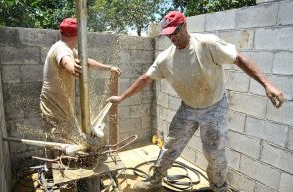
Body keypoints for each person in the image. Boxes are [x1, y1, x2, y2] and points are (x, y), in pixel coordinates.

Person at [106, 11, 284, 192]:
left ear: (184, 26)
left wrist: (267, 84)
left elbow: (239, 59)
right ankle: (155, 180)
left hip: (214, 107)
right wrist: (122, 98)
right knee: (170, 146)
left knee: (213, 154)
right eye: (168, 35)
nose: (172, 38)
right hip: (188, 108)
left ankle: (219, 188)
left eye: (175, 32)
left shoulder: (207, 44)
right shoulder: (165, 58)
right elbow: (145, 78)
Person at [40, 17, 122, 145]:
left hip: (59, 107)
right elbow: (67, 61)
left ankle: (52, 164)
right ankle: (52, 165)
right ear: (78, 35)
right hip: (53, 109)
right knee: (56, 142)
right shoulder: (62, 49)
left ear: (60, 32)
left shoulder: (68, 48)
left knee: (58, 141)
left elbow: (86, 61)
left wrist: (109, 67)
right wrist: (74, 68)